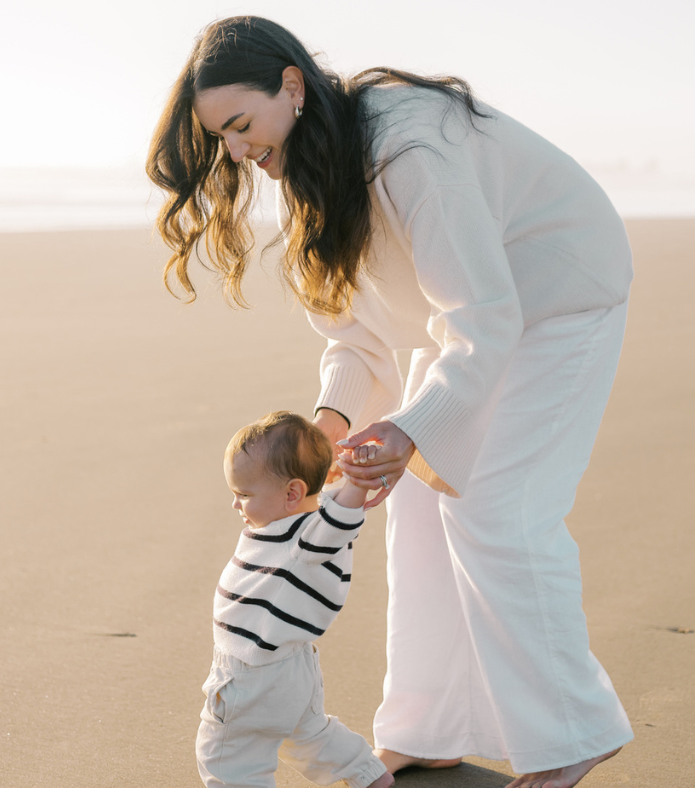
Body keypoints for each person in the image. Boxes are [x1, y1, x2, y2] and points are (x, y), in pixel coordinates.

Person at [148, 16, 634, 788]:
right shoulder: (305, 170)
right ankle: (425, 728)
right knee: (411, 506)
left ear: (293, 86)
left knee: (495, 506)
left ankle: (574, 731)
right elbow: (356, 335)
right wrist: (331, 423)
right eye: (223, 139)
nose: (237, 152)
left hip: (559, 296)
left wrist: (411, 428)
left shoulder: (410, 151)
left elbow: (487, 316)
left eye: (242, 126)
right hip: (464, 322)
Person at [196, 411, 393, 788]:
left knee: (227, 755)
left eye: (244, 495)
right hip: (291, 666)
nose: (236, 505)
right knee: (309, 735)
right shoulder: (298, 526)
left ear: (292, 494)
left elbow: (339, 519)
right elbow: (332, 514)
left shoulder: (306, 540)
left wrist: (357, 483)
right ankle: (367, 774)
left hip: (253, 671)